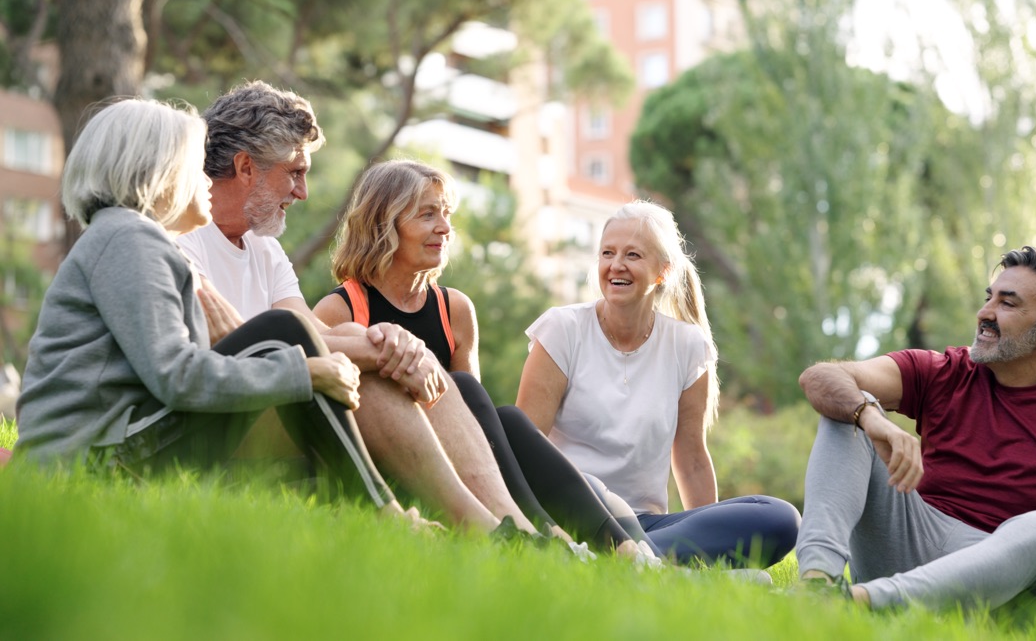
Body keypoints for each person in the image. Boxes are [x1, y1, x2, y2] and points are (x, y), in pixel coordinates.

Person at [13, 99, 422, 527]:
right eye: (196, 166)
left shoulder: (130, 238)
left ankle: (370, 505)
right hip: (93, 456)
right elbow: (178, 376)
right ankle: (383, 512)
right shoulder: (128, 239)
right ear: (157, 173)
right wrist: (305, 372)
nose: (209, 178)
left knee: (284, 337)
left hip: (108, 443)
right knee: (282, 330)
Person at [176, 81, 547, 540]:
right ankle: (478, 528)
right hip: (218, 422)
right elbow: (252, 342)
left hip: (273, 407)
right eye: (294, 173)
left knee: (371, 342)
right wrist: (382, 352)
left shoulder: (264, 249)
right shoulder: (180, 237)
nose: (303, 192)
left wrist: (394, 341)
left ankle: (515, 529)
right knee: (366, 356)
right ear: (246, 167)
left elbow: (310, 330)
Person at [794, 246, 1036, 638]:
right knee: (849, 409)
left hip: (1007, 603)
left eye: (1008, 303)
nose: (985, 312)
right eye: (990, 297)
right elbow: (820, 378)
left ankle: (860, 602)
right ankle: (818, 587)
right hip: (915, 546)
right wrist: (870, 417)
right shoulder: (946, 372)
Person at [313, 159, 660, 561]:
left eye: (446, 214)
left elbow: (470, 424)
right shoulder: (340, 310)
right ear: (384, 225)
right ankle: (543, 538)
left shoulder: (455, 309)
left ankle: (626, 552)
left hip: (466, 473)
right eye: (428, 215)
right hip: (402, 470)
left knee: (507, 418)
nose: (445, 228)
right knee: (467, 389)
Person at [515, 200, 801, 568]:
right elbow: (525, 448)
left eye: (632, 254)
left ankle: (630, 559)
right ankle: (644, 560)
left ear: (663, 271)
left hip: (646, 523)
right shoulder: (562, 329)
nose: (616, 265)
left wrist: (709, 532)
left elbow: (691, 458)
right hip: (575, 512)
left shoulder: (687, 345)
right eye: (607, 253)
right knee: (588, 492)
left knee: (778, 517)